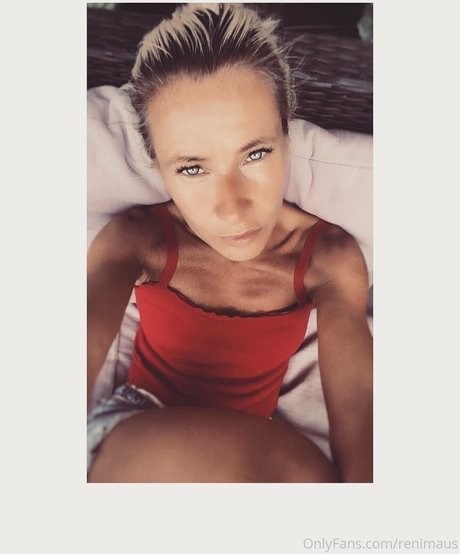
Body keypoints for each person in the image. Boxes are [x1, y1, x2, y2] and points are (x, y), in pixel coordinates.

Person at [87, 2, 372, 483]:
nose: (232, 208)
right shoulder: (140, 238)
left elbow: (360, 411)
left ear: (287, 133)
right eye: (191, 168)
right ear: (158, 167)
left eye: (255, 154)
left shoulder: (329, 258)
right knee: (293, 471)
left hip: (251, 456)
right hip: (135, 433)